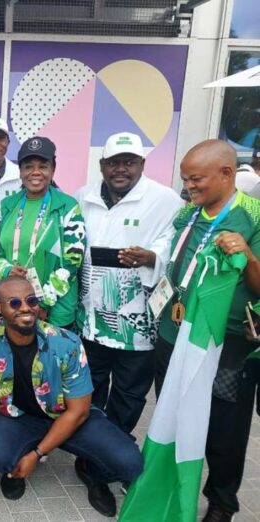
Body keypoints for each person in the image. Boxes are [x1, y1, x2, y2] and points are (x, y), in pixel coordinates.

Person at [0, 276, 143, 517]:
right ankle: (15, 469)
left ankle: (90, 470)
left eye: (31, 300)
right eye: (15, 303)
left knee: (130, 463)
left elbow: (79, 411)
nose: (26, 307)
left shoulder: (65, 343)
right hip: (18, 417)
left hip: (68, 416)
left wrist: (37, 454)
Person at [155, 140, 260, 522]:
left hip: (224, 344)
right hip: (173, 333)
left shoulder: (253, 216)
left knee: (224, 430)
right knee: (173, 415)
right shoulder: (187, 214)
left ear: (227, 174)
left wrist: (248, 255)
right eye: (185, 179)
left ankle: (221, 502)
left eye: (195, 179)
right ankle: (170, 487)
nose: (188, 186)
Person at [75, 132, 183, 437]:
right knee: (89, 388)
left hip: (137, 325)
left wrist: (151, 257)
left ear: (142, 164)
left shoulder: (166, 201)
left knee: (129, 395)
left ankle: (115, 449)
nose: (120, 169)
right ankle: (91, 449)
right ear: (101, 165)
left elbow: (173, 247)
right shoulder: (84, 196)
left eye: (129, 162)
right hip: (92, 320)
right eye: (113, 163)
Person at [0, 136, 85, 329]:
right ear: (20, 171)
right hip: (13, 305)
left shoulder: (68, 207)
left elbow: (72, 262)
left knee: (53, 358)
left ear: (53, 169)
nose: (35, 172)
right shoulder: (6, 207)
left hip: (56, 310)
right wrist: (7, 270)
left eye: (42, 166)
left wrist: (42, 302)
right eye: (28, 166)